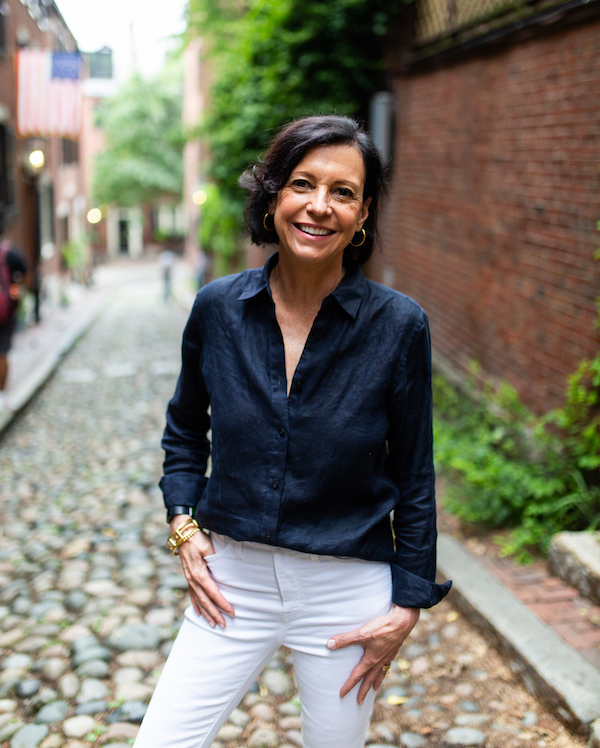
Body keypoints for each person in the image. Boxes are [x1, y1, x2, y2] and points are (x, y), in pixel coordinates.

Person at [134, 115, 451, 748]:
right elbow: (184, 432)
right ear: (274, 196)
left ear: (362, 216)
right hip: (232, 582)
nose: (319, 206)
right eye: (303, 184)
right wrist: (182, 524)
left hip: (347, 592)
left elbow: (414, 471)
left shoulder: (399, 326)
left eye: (343, 192)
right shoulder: (218, 308)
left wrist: (408, 604)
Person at [0, 240, 27, 410]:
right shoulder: (10, 254)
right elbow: (25, 274)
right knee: (2, 353)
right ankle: (1, 395)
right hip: (5, 314)